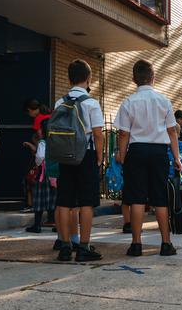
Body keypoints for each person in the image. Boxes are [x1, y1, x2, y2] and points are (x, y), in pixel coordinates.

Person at [115, 60, 182, 257]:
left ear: (133, 79)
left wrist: (122, 155)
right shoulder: (164, 101)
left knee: (136, 198)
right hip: (159, 152)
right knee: (160, 198)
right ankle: (166, 244)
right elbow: (172, 131)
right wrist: (177, 157)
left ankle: (136, 244)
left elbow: (123, 134)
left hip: (136, 151)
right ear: (153, 77)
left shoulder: (128, 102)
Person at [53, 60, 105, 262]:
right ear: (88, 78)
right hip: (86, 154)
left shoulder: (60, 102)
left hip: (65, 155)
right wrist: (99, 157)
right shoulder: (91, 103)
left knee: (64, 201)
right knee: (86, 203)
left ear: (68, 78)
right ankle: (84, 247)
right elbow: (98, 134)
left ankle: (65, 246)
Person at [24, 131, 59, 235]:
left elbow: (39, 157)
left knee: (39, 199)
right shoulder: (57, 141)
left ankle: (37, 225)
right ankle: (56, 224)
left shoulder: (43, 142)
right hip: (56, 174)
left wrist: (37, 163)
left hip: (44, 175)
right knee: (55, 199)